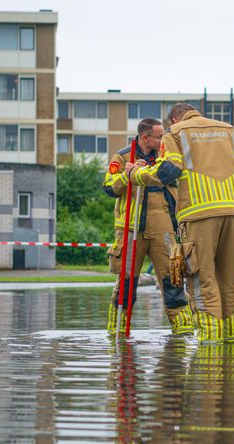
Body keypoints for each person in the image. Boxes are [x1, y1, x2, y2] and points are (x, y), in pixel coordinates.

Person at [131, 103, 234, 344]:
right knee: (229, 282)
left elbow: (169, 171)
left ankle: (210, 346)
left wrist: (136, 175)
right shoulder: (229, 130)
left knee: (202, 280)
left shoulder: (176, 133)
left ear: (174, 120)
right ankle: (231, 341)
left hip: (199, 214)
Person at [103, 118, 193, 336]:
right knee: (126, 284)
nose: (164, 139)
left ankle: (183, 333)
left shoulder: (167, 156)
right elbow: (108, 187)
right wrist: (128, 175)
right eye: (159, 136)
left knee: (173, 279)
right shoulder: (123, 156)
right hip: (131, 227)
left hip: (164, 224)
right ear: (145, 137)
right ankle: (117, 332)